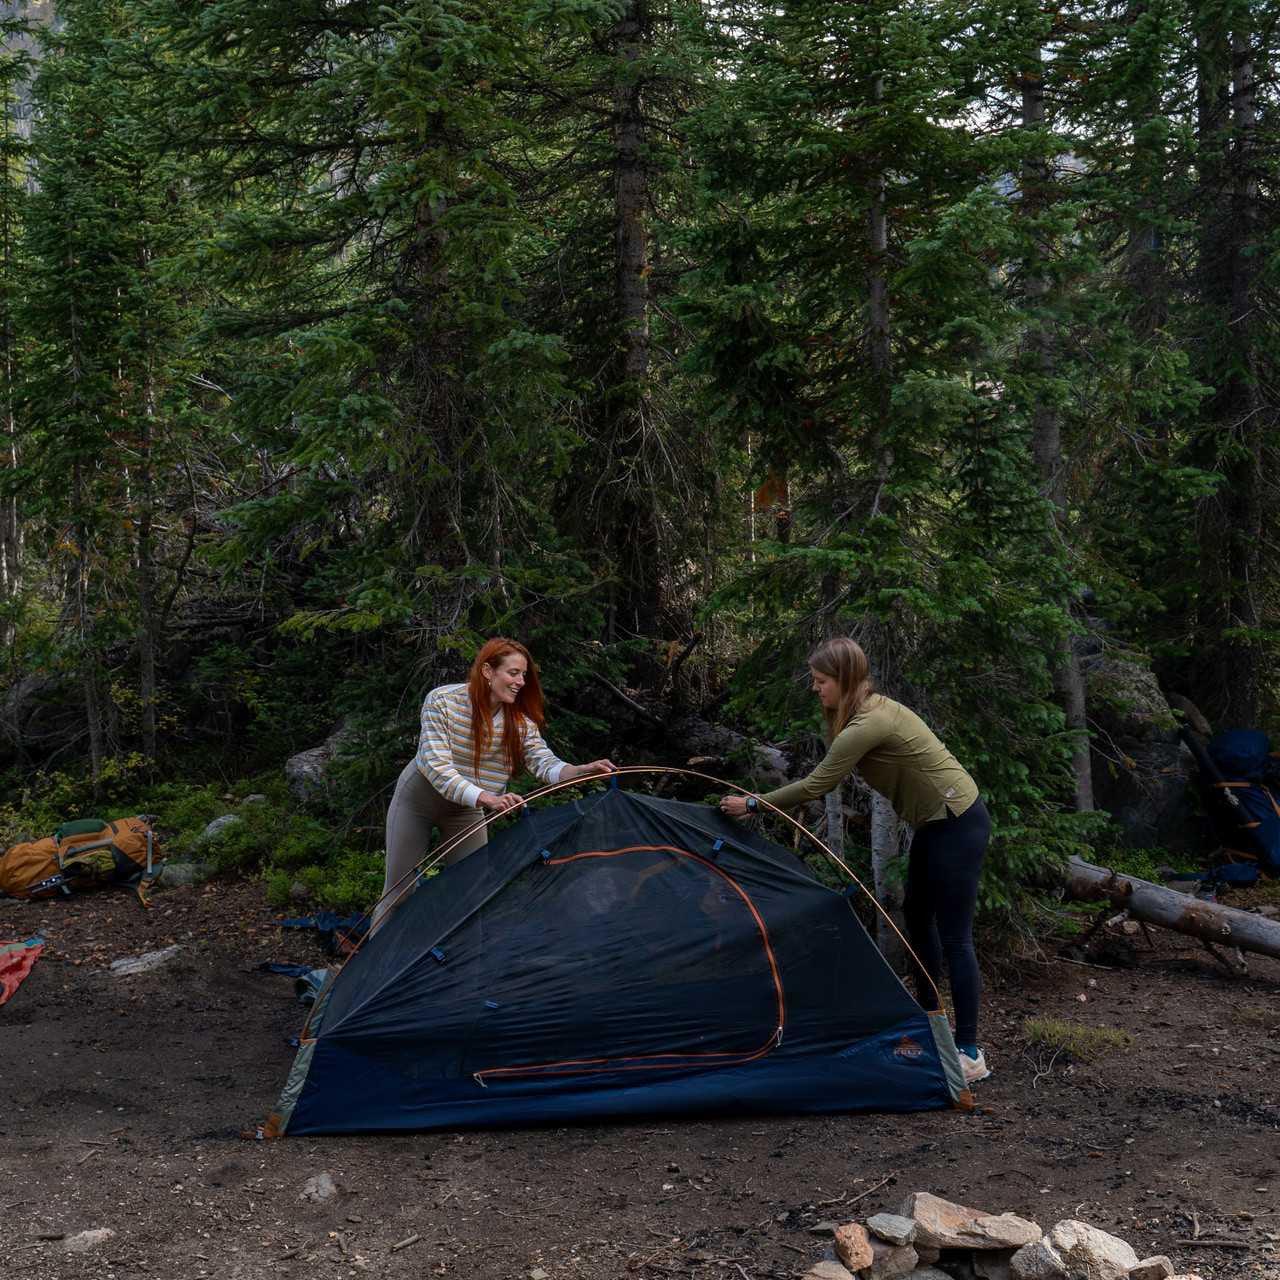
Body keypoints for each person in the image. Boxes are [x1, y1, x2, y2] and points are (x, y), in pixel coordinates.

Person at [718, 637, 992, 1085]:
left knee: (955, 936)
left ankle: (969, 1051)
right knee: (918, 918)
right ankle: (932, 1022)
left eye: (821, 680)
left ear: (844, 681)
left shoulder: (870, 723)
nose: (815, 688)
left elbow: (817, 784)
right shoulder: (865, 712)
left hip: (958, 821)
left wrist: (753, 804)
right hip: (937, 823)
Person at [374, 637, 616, 926]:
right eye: (513, 673)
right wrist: (486, 798)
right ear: (488, 671)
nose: (521, 682)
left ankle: (464, 969)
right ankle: (369, 971)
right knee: (399, 891)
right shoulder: (442, 701)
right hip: (419, 800)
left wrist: (579, 771)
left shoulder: (520, 724)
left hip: (465, 811)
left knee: (472, 896)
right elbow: (436, 766)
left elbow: (544, 764)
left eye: (524, 675)